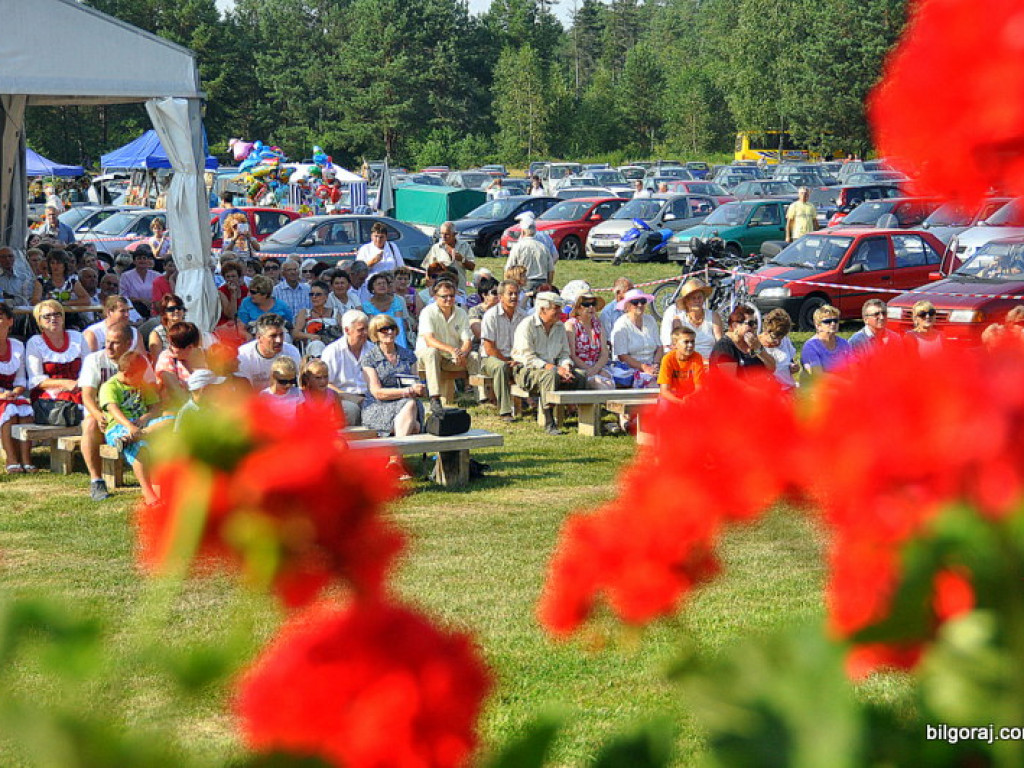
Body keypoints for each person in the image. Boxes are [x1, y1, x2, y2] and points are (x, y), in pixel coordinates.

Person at [99, 350, 170, 506]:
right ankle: (148, 492)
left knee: (172, 420)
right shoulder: (109, 387)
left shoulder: (142, 385)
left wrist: (145, 418)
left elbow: (155, 407)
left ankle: (137, 436)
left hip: (142, 426)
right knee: (140, 447)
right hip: (119, 427)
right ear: (127, 374)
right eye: (140, 375)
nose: (143, 378)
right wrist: (129, 426)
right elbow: (113, 410)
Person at [511, 291, 586, 435]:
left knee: (581, 375)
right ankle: (549, 421)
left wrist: (566, 367)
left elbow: (564, 353)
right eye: (555, 308)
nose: (560, 312)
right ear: (542, 309)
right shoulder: (527, 325)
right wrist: (555, 369)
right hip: (526, 371)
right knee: (550, 375)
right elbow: (528, 358)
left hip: (552, 368)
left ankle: (580, 416)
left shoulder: (559, 327)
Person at [79, 323, 139, 501]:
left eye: (115, 343)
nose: (109, 347)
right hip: (102, 415)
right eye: (107, 342)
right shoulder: (94, 360)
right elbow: (87, 396)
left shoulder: (137, 360)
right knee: (90, 424)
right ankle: (96, 481)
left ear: (128, 343)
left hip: (131, 413)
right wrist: (99, 416)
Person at [416, 279, 476, 415]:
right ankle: (434, 398)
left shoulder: (461, 312)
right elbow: (429, 340)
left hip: (452, 357)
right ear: (435, 297)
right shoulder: (427, 312)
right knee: (432, 352)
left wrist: (462, 353)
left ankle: (482, 397)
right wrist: (452, 350)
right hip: (427, 356)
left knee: (474, 356)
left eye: (452, 296)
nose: (449, 299)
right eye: (444, 296)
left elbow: (467, 340)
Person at [361, 314, 426, 437]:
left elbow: (416, 382)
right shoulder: (369, 359)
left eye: (392, 328)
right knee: (412, 420)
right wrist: (406, 392)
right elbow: (377, 393)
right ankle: (399, 447)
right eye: (384, 330)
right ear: (375, 334)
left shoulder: (409, 355)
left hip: (408, 403)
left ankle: (398, 446)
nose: (390, 332)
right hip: (378, 406)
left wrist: (419, 389)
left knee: (411, 410)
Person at [480, 279, 527, 422]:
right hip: (491, 358)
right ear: (500, 297)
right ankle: (505, 411)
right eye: (510, 294)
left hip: (517, 358)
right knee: (501, 367)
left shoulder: (524, 316)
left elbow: (528, 344)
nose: (514, 297)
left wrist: (519, 360)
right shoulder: (491, 316)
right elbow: (489, 348)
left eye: (516, 293)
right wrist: (507, 361)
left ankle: (538, 404)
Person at [26, 300, 87, 407]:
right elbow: (36, 380)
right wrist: (66, 383)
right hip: (49, 394)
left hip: (80, 387)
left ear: (62, 317)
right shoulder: (35, 342)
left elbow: (89, 366)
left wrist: (80, 383)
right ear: (39, 321)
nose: (53, 318)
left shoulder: (77, 337)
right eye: (47, 316)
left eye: (57, 314)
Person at [321, 309, 371, 426]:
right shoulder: (332, 351)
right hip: (342, 397)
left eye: (366, 329)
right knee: (351, 410)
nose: (365, 333)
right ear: (347, 330)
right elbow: (325, 384)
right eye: (361, 330)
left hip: (369, 397)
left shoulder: (373, 349)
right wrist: (350, 397)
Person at [0, 301, 34, 473]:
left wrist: (15, 392)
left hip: (10, 395)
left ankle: (26, 459)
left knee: (24, 408)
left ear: (10, 321)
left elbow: (20, 381)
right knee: (9, 409)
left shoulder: (17, 346)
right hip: (1, 398)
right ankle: (11, 459)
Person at [659, 277, 723, 360]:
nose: (697, 301)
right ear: (686, 301)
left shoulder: (713, 316)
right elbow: (679, 348)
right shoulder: (679, 320)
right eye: (693, 298)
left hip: (711, 360)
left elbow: (720, 343)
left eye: (699, 297)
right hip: (689, 360)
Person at [611, 288, 663, 387]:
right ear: (627, 306)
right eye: (635, 302)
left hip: (653, 366)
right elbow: (622, 356)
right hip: (630, 369)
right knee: (653, 384)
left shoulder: (650, 320)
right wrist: (645, 368)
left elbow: (659, 346)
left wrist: (656, 364)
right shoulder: (621, 325)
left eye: (642, 301)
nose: (640, 305)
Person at [235, 314, 302, 391]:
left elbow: (298, 386)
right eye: (273, 336)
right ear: (259, 337)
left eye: (281, 334)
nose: (279, 340)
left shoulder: (292, 352)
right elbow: (243, 391)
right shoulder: (243, 356)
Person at [710, 305, 777, 378]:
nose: (754, 326)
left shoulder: (752, 344)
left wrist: (759, 349)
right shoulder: (724, 347)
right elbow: (729, 379)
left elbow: (772, 368)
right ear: (735, 326)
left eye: (755, 323)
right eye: (751, 323)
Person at [565, 289, 613, 390]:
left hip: (598, 367)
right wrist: (590, 370)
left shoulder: (597, 324)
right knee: (600, 385)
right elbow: (572, 355)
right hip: (579, 369)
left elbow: (604, 352)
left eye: (593, 304)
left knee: (610, 383)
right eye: (586, 304)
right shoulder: (571, 325)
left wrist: (596, 369)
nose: (591, 307)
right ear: (578, 308)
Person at [155, 321, 207, 409]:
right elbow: (176, 393)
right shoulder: (166, 358)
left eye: (174, 345)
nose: (170, 347)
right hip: (179, 409)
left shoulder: (206, 355)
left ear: (190, 347)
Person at [422, 222, 476, 294]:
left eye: (447, 234)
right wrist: (428, 285)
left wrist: (462, 259)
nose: (443, 236)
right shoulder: (436, 248)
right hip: (441, 290)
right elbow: (428, 269)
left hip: (459, 289)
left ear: (454, 234)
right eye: (441, 233)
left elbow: (472, 267)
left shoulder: (464, 246)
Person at [658, 326, 705, 404]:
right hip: (673, 395)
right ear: (675, 344)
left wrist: (690, 398)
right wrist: (680, 402)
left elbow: (699, 388)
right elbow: (664, 391)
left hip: (690, 394)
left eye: (692, 341)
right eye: (686, 342)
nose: (690, 345)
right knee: (664, 403)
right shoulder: (668, 359)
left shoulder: (697, 358)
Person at [294, 279, 342, 356]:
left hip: (333, 344)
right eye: (311, 294)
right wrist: (311, 336)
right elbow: (295, 333)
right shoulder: (305, 313)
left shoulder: (335, 313)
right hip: (314, 345)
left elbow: (344, 330)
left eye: (318, 294)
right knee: (317, 344)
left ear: (326, 297)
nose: (314, 297)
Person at [801, 304, 852, 375]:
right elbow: (817, 375)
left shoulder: (844, 343)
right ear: (818, 325)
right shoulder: (810, 347)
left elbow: (854, 368)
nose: (833, 323)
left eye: (835, 320)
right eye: (828, 321)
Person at [362, 272, 409, 348]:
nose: (382, 285)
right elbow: (373, 327)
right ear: (372, 288)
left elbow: (398, 323)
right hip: (377, 337)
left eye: (384, 283)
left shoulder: (396, 301)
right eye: (379, 284)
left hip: (396, 335)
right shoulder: (367, 305)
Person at [505, 220, 555, 291]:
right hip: (542, 284)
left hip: (524, 283)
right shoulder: (543, 247)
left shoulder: (517, 247)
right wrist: (548, 285)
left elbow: (508, 269)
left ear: (522, 232)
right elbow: (551, 270)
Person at [758, 308, 800, 391]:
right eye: (774, 336)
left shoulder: (785, 340)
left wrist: (793, 367)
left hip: (788, 389)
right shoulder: (757, 345)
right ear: (766, 330)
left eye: (782, 336)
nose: (777, 340)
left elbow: (790, 361)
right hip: (771, 390)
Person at [175, 368, 226, 432]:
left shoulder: (214, 409)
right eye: (214, 388)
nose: (217, 391)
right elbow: (179, 436)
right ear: (204, 390)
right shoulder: (185, 413)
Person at [298, 358, 344, 424]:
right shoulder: (301, 396)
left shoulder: (334, 395)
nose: (323, 381)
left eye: (325, 376)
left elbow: (341, 421)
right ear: (307, 379)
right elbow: (299, 422)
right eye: (318, 378)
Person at [119, 246, 158, 317]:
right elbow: (123, 297)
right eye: (139, 258)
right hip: (134, 308)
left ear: (148, 261)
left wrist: (151, 302)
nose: (142, 261)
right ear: (134, 261)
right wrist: (141, 300)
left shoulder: (156, 275)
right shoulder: (126, 276)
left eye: (144, 258)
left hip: (154, 307)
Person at [468, 276, 500, 352]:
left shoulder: (502, 310)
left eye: (500, 292)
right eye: (495, 293)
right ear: (484, 295)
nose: (499, 296)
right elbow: (480, 334)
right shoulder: (475, 311)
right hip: (480, 348)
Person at [217, 259, 249, 329]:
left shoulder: (245, 289)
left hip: (242, 322)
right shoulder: (221, 291)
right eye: (228, 277)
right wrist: (233, 294)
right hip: (227, 325)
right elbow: (231, 315)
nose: (231, 279)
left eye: (233, 276)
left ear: (238, 276)